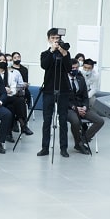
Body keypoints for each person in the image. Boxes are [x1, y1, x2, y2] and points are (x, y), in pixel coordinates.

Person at [39, 29, 72, 158]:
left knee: (63, 120)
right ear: (48, 39)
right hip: (49, 89)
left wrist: (64, 54)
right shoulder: (45, 53)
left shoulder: (65, 53)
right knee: (47, 120)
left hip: (63, 90)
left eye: (57, 38)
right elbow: (44, 65)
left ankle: (63, 148)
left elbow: (68, 68)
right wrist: (52, 51)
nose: (55, 40)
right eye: (53, 38)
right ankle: (45, 147)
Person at [67, 59, 104, 154]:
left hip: (82, 107)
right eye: (72, 68)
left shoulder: (80, 79)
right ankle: (79, 143)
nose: (75, 70)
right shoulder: (63, 80)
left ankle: (81, 141)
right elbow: (63, 98)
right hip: (69, 108)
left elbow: (85, 97)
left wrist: (85, 107)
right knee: (75, 121)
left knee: (99, 121)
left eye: (76, 68)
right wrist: (75, 108)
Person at [0, 60, 29, 141]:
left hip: (9, 97)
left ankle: (9, 133)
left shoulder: (11, 74)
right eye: (0, 60)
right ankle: (23, 124)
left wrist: (12, 90)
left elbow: (14, 88)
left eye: (4, 60)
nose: (3, 62)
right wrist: (3, 90)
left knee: (12, 106)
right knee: (17, 102)